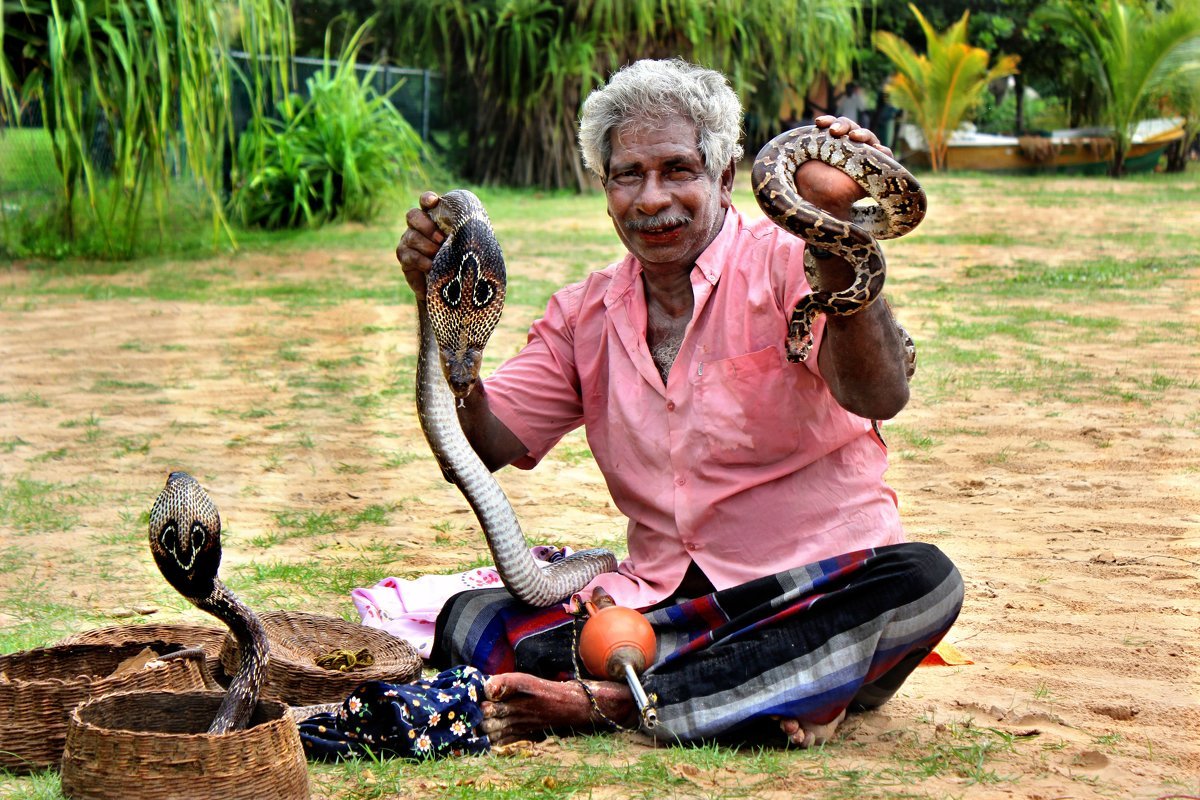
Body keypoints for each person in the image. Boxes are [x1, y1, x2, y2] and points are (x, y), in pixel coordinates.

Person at [396, 58, 963, 749]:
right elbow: (487, 444)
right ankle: (769, 689)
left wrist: (836, 223)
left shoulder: (791, 260)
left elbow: (880, 394)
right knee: (469, 619)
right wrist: (442, 317)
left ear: (725, 177)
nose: (650, 198)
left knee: (924, 581)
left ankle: (621, 703)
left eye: (677, 170)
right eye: (628, 175)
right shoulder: (585, 314)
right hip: (670, 604)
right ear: (604, 188)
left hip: (815, 589)